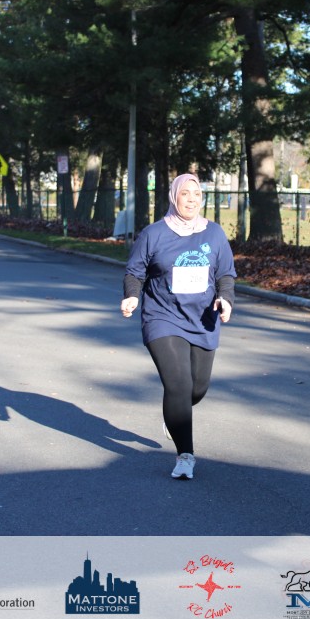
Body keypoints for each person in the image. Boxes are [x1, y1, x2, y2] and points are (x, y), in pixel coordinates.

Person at [121, 173, 236, 480]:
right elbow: (134, 272)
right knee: (179, 385)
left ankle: (175, 415)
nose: (191, 199)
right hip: (162, 317)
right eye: (185, 193)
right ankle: (185, 455)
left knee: (197, 388)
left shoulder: (214, 233)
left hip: (203, 318)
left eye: (197, 194)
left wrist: (225, 299)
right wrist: (132, 296)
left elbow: (225, 274)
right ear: (174, 197)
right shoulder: (154, 234)